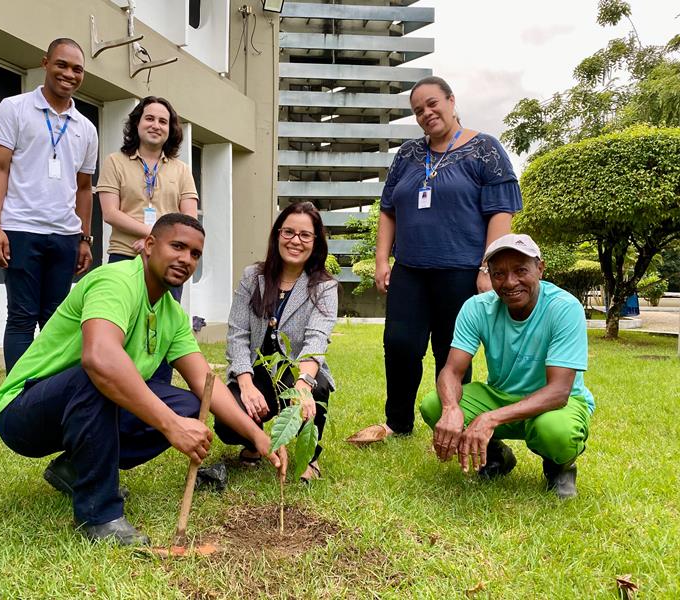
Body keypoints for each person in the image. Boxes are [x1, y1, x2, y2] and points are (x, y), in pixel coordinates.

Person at [0, 214, 285, 545]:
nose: (185, 259)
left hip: (79, 409)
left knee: (187, 404)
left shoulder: (171, 314)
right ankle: (98, 517)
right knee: (99, 375)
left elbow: (205, 382)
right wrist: (171, 426)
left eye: (195, 254)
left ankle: (75, 468)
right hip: (24, 413)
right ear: (148, 246)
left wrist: (257, 436)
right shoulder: (116, 282)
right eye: (177, 246)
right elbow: (99, 359)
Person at [348, 76, 522, 444]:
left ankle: (451, 419)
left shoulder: (485, 149)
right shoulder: (409, 155)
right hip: (410, 269)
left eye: (432, 104)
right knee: (399, 344)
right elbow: (388, 209)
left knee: (452, 349)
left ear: (451, 100)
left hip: (461, 270)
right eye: (418, 110)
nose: (426, 113)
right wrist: (382, 260)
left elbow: (501, 213)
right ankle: (397, 422)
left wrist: (487, 269)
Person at [419, 234, 593, 499]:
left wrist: (490, 418)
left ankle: (559, 467)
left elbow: (559, 391)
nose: (510, 282)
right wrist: (451, 408)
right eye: (499, 273)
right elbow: (452, 371)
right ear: (489, 275)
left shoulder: (564, 308)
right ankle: (495, 455)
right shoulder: (477, 308)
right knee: (434, 406)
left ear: (540, 268)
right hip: (501, 395)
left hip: (555, 403)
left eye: (521, 270)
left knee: (555, 432)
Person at [0, 38, 99, 374]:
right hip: (20, 229)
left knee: (57, 320)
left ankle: (49, 395)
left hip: (64, 235)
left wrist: (84, 238)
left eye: (77, 69)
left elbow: (84, 188)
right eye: (62, 64)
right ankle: (16, 398)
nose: (69, 74)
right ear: (45, 63)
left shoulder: (86, 128)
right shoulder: (14, 108)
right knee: (21, 316)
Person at [214, 202, 338, 483]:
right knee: (227, 419)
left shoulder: (324, 287)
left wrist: (303, 385)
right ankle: (253, 442)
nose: (296, 240)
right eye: (289, 232)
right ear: (277, 235)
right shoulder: (252, 278)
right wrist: (245, 384)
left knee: (315, 391)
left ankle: (309, 457)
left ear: (316, 242)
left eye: (305, 235)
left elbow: (316, 340)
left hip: (295, 370)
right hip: (257, 373)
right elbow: (237, 334)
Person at [97, 96, 198, 383]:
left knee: (162, 332)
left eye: (163, 121)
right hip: (124, 255)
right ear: (137, 123)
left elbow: (189, 219)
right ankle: (119, 388)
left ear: (171, 129)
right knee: (123, 327)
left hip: (168, 261)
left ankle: (159, 391)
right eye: (149, 118)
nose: (156, 125)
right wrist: (151, 236)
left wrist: (159, 245)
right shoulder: (115, 162)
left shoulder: (181, 170)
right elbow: (110, 213)